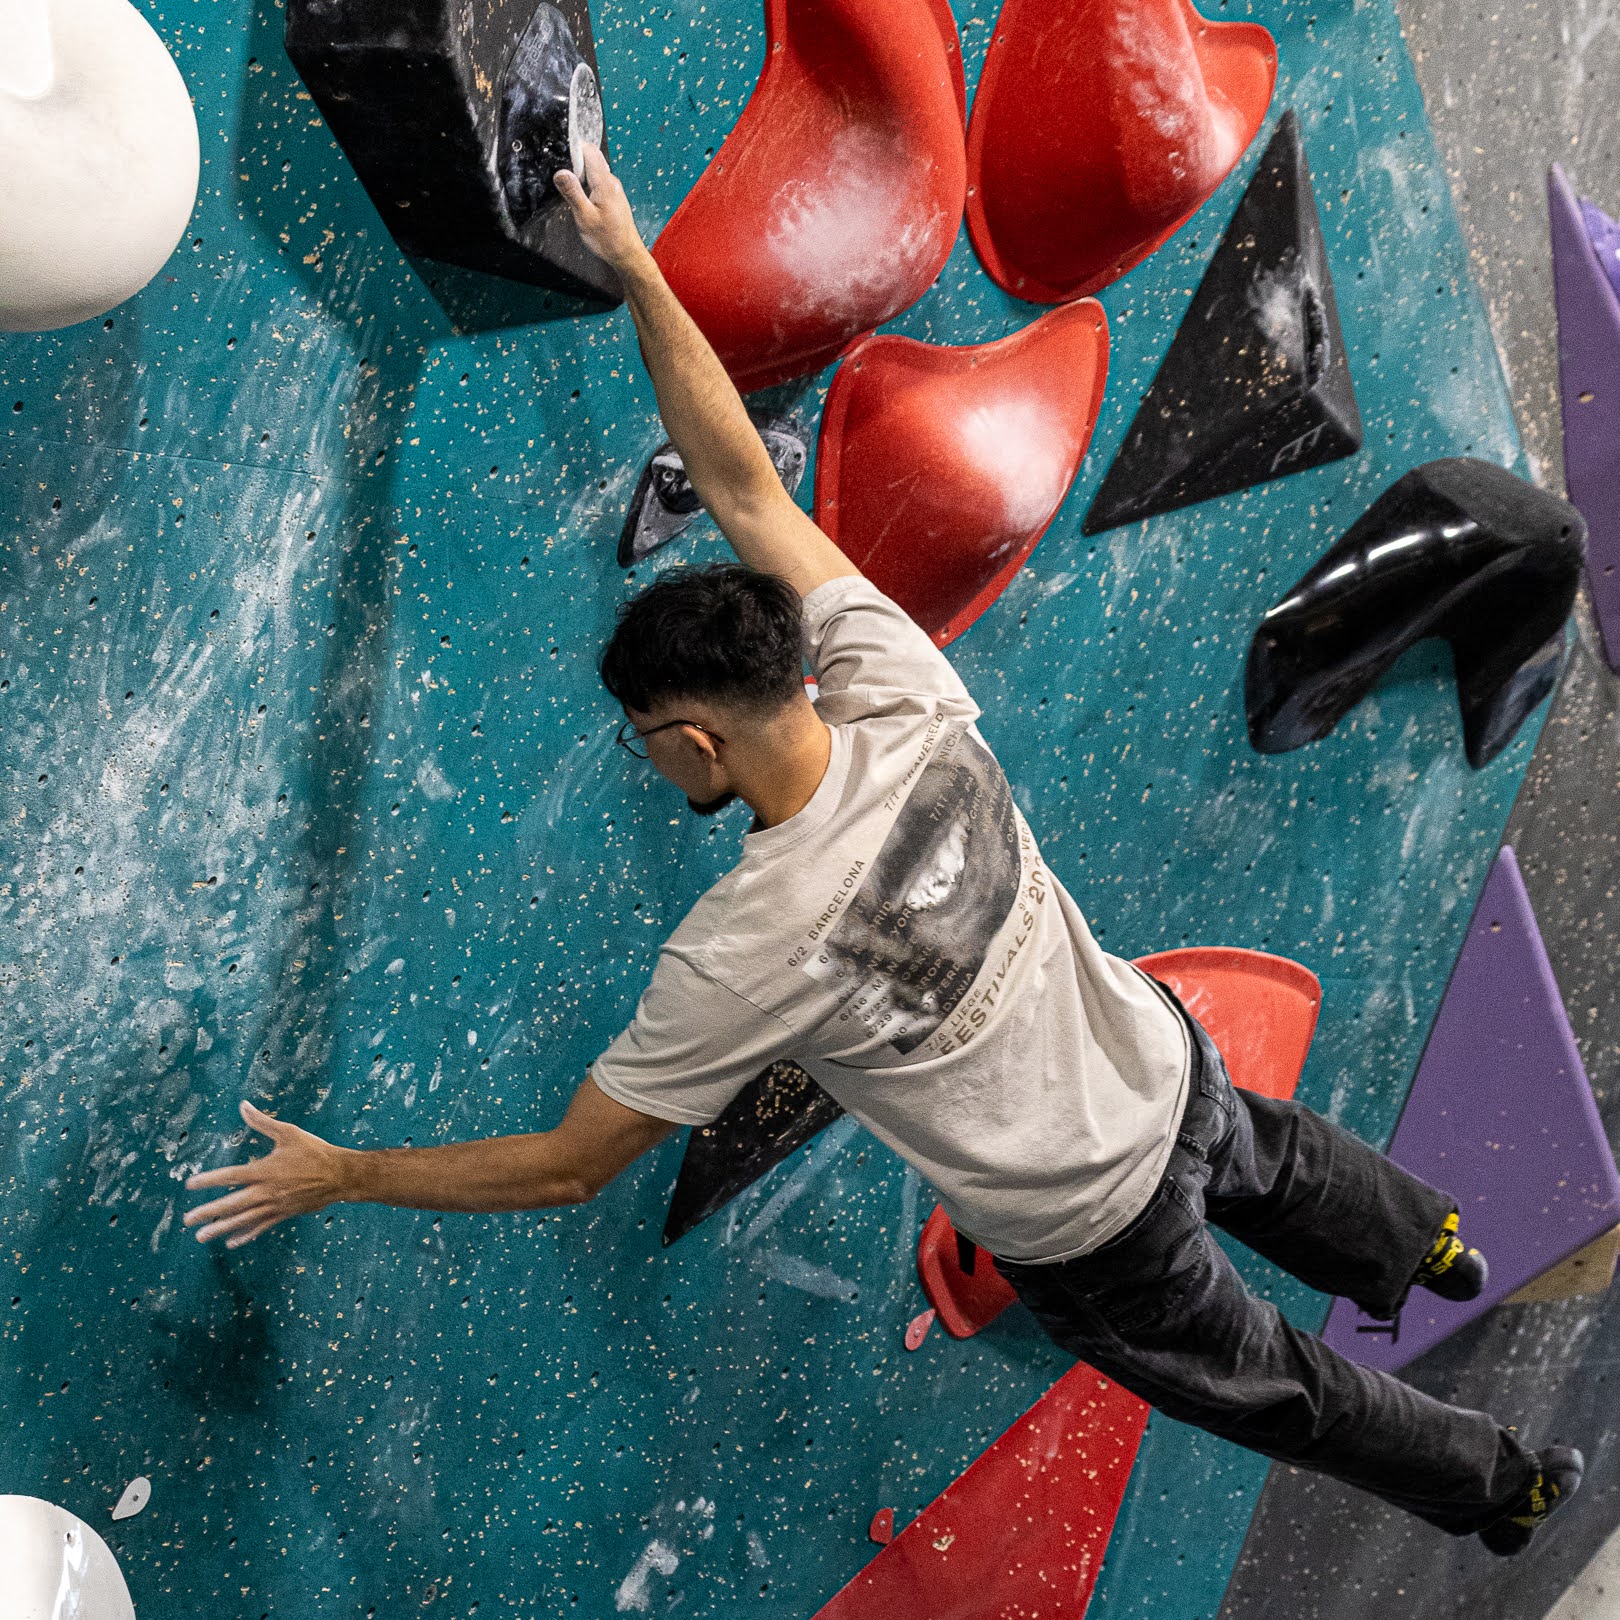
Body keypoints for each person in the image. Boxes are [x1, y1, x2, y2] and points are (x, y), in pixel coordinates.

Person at [184, 145, 1583, 1557]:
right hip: (1165, 1065)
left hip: (1096, 1228)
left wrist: (341, 1174)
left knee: (1287, 1390)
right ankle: (1430, 1244)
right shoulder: (893, 682)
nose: (646, 759)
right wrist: (637, 262)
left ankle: (1504, 1481)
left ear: (696, 740)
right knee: (1268, 1156)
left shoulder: (749, 947)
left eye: (645, 740)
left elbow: (566, 1166)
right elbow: (745, 490)